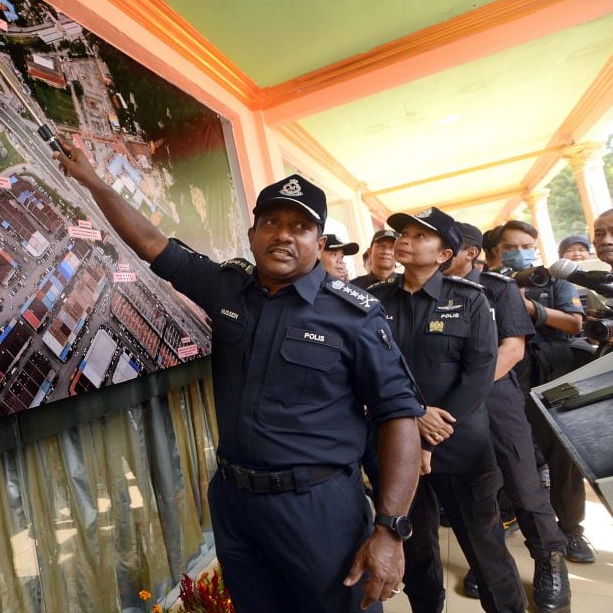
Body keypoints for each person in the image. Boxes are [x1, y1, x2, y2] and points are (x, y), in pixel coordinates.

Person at [54, 146, 424, 612]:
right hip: (235, 503)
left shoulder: (354, 315)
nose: (283, 236)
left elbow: (399, 417)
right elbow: (151, 242)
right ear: (252, 234)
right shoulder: (227, 288)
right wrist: (94, 181)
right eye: (271, 223)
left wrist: (391, 530)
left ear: (319, 240)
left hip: (317, 507)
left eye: (300, 227)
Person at [368, 207, 526, 613]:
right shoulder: (372, 301)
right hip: (394, 444)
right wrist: (416, 414)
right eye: (403, 232)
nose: (405, 239)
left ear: (444, 254)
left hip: (461, 443)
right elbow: (368, 369)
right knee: (416, 546)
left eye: (421, 235)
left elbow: (479, 373)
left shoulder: (471, 299)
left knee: (484, 546)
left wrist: (430, 432)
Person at [445, 222, 569, 610]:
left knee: (522, 481)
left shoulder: (499, 289)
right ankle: (491, 566)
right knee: (479, 490)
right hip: (448, 402)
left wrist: (466, 394)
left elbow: (512, 351)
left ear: (468, 252)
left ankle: (549, 558)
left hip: (495, 396)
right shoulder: (429, 294)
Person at [497, 220, 594, 564]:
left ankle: (571, 530)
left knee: (563, 455)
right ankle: (511, 517)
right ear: (498, 251)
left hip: (556, 373)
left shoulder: (554, 280)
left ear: (535, 248)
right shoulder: (492, 283)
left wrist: (533, 309)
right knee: (513, 452)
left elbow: (574, 323)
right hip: (509, 378)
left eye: (525, 245)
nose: (518, 252)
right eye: (510, 246)